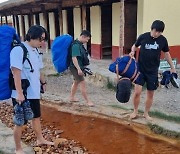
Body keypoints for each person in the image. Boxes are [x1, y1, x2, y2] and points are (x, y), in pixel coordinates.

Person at [10, 25, 54, 154]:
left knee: (36, 117)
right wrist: (19, 93)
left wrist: (43, 81)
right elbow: (16, 73)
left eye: (44, 39)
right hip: (22, 93)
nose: (43, 42)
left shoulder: (35, 50)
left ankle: (40, 139)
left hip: (33, 92)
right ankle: (18, 148)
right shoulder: (18, 50)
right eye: (41, 39)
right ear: (32, 36)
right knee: (20, 122)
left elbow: (38, 69)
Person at [129, 20, 176, 121]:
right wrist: (132, 52)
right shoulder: (143, 37)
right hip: (140, 69)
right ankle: (135, 111)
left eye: (160, 32)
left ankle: (146, 114)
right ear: (152, 29)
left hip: (153, 71)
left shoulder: (163, 40)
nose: (157, 33)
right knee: (137, 92)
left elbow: (167, 54)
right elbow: (135, 46)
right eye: (156, 31)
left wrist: (172, 67)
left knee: (150, 93)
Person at [69, 30, 94, 106]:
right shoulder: (76, 46)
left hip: (78, 67)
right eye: (87, 39)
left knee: (76, 82)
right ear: (83, 37)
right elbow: (74, 58)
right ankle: (88, 101)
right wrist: (79, 69)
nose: (87, 41)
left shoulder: (79, 44)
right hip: (76, 67)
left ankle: (71, 97)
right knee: (82, 83)